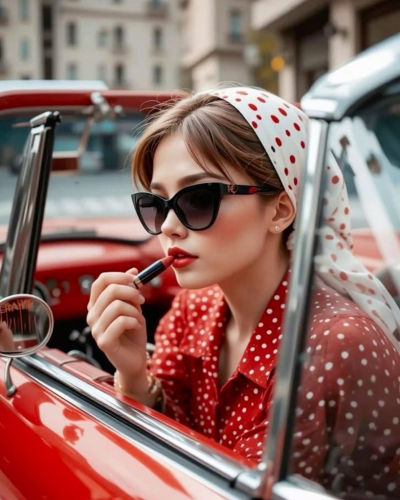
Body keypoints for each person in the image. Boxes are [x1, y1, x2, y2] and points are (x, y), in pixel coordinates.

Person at [86, 86, 400, 493]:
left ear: (281, 210)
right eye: (156, 204)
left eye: (198, 199)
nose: (168, 227)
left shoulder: (336, 345)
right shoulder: (191, 311)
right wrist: (131, 374)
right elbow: (162, 453)